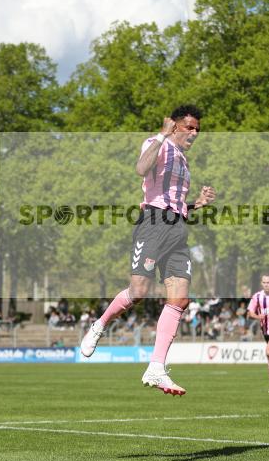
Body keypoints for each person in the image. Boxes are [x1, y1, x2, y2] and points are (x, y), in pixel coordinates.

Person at [79, 105, 216, 395]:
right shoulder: (159, 144)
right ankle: (100, 324)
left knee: (180, 299)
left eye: (197, 129)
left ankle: (156, 368)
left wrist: (197, 205)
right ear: (176, 125)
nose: (194, 133)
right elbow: (141, 170)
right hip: (153, 223)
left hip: (177, 228)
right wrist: (163, 136)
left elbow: (174, 203)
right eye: (189, 127)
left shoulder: (183, 160)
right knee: (139, 291)